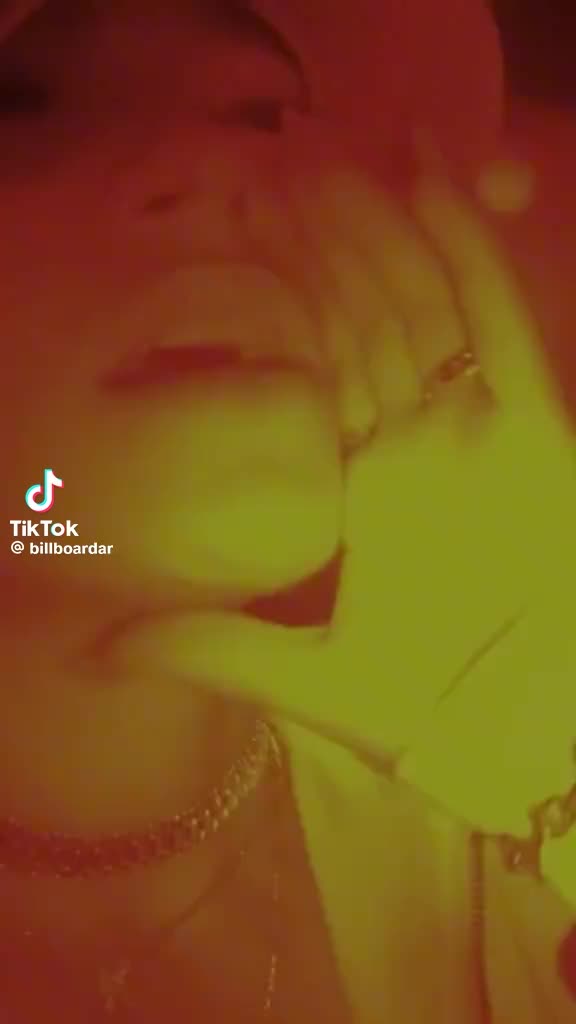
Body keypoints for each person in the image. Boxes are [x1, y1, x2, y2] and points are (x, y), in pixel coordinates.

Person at [1, 1, 575, 1021]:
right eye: (19, 111)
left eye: (265, 115)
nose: (214, 164)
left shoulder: (519, 826)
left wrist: (549, 747)